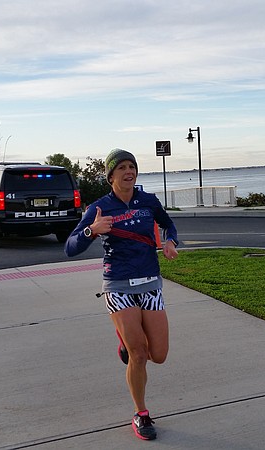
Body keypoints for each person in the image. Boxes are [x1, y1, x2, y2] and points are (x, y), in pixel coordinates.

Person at [65, 148, 179, 441]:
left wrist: (170, 241)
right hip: (117, 285)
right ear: (111, 175)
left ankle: (126, 345)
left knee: (160, 355)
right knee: (140, 355)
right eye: (122, 167)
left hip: (151, 283)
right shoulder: (100, 207)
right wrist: (92, 230)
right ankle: (141, 414)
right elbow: (70, 247)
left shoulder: (148, 201)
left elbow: (168, 224)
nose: (129, 171)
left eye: (132, 166)